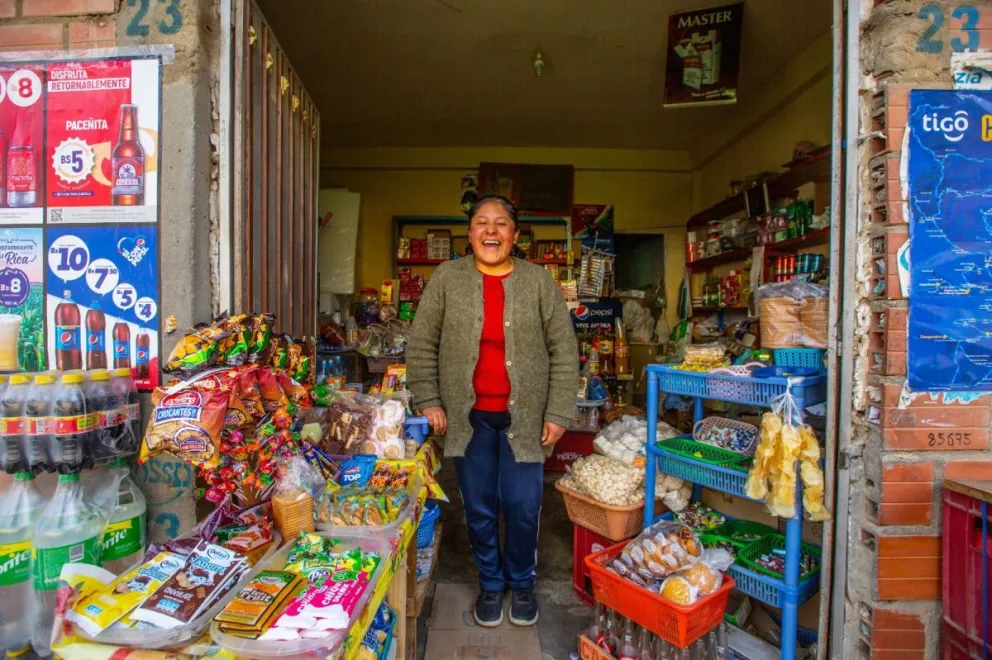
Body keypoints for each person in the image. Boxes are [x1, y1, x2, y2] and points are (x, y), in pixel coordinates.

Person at [407, 195, 579, 627]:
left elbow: (564, 349)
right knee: (479, 507)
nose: (490, 231)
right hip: (470, 419)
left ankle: (521, 584)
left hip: (526, 420)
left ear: (515, 235)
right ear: (470, 234)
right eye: (481, 222)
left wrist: (558, 410)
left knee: (523, 506)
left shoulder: (539, 282)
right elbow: (422, 343)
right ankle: (490, 583)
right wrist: (428, 399)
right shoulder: (447, 278)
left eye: (501, 224)